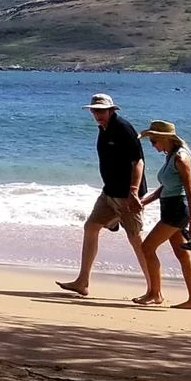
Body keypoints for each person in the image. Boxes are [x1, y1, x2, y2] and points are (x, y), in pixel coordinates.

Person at [57, 93, 155, 298]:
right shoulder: (103, 129)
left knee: (136, 239)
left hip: (126, 195)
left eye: (101, 110)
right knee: (90, 227)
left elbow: (138, 162)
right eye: (94, 110)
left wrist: (134, 192)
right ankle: (82, 282)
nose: (97, 114)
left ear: (111, 110)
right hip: (109, 192)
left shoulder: (123, 129)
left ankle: (154, 290)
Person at [132, 120, 191, 310]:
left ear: (164, 138)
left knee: (147, 247)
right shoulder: (170, 156)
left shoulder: (181, 158)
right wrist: (143, 203)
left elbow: (189, 190)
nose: (153, 145)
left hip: (177, 210)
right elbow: (164, 188)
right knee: (182, 255)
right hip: (170, 207)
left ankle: (155, 294)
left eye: (154, 141)